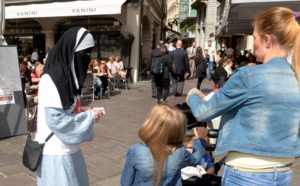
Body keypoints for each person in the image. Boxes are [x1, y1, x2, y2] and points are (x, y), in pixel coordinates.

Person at [186, 7, 300, 185]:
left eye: (255, 38)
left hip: (247, 173)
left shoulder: (248, 75)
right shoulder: (297, 76)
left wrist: (193, 94)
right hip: (283, 172)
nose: (254, 44)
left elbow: (203, 112)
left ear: (267, 40)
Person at [35, 27, 103, 186]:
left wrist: (86, 111)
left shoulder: (66, 77)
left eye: (89, 53)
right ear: (71, 51)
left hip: (69, 150)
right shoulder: (53, 79)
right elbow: (57, 120)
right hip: (56, 153)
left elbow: (65, 110)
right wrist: (90, 116)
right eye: (84, 53)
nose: (87, 57)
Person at [120, 105, 208, 186]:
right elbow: (195, 159)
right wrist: (200, 140)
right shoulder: (179, 152)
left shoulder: (136, 151)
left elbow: (126, 182)